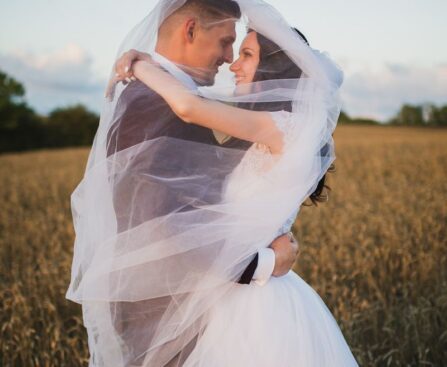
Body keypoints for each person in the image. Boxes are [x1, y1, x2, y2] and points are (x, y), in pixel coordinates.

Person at [112, 23, 357, 367]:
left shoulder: (281, 125)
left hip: (253, 302)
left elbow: (187, 106)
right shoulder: (269, 127)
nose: (233, 64)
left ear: (274, 68)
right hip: (238, 285)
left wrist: (140, 65)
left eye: (246, 54)